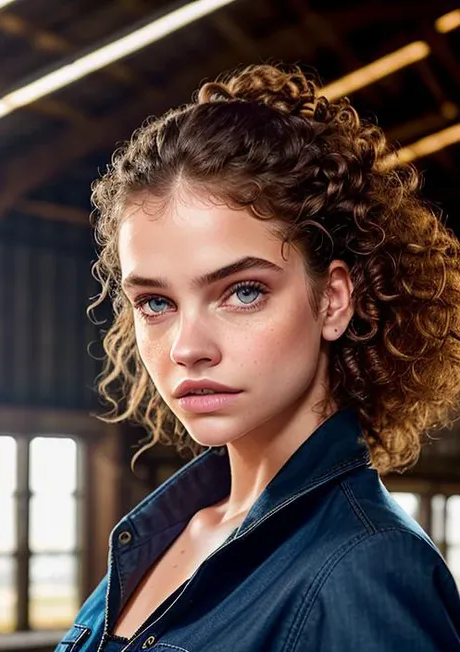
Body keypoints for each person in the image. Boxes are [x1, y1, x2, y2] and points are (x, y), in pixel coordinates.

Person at [56, 63, 460, 652]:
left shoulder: (367, 568)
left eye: (243, 291)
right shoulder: (165, 533)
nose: (188, 348)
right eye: (155, 302)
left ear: (333, 300)